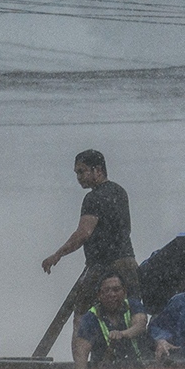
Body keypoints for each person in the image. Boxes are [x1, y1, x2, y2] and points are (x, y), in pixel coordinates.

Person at [39, 150, 139, 352]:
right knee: (133, 315)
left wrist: (57, 255)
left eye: (82, 171)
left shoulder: (93, 198)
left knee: (80, 319)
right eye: (76, 173)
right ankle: (130, 363)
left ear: (98, 170)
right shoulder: (120, 192)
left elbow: (84, 232)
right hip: (128, 264)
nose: (78, 178)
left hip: (101, 266)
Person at [72, 271, 167, 369]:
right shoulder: (91, 318)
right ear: (99, 295)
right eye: (106, 291)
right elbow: (81, 354)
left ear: (125, 292)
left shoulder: (134, 306)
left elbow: (140, 325)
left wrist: (122, 334)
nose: (112, 294)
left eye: (116, 290)